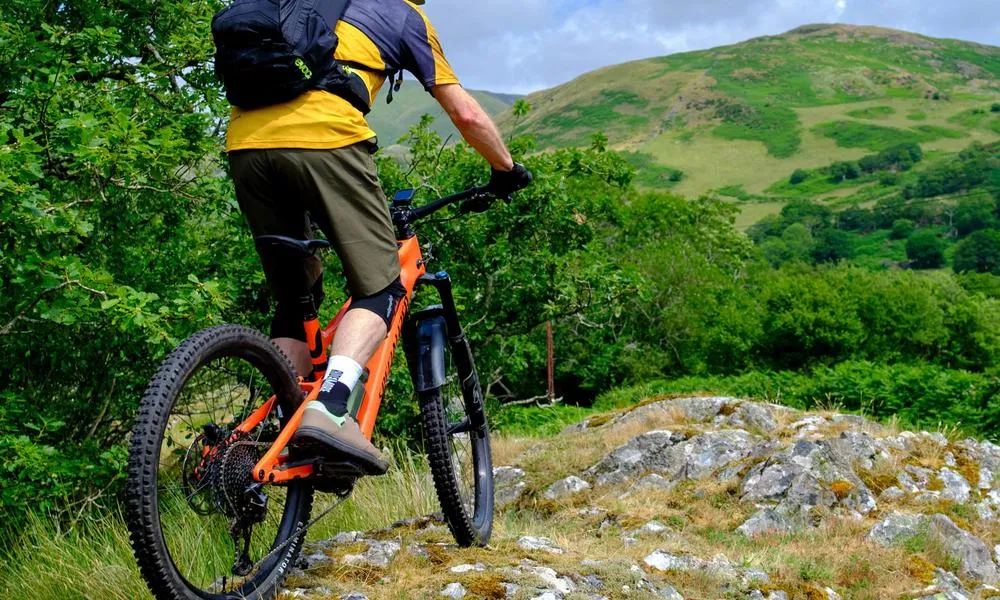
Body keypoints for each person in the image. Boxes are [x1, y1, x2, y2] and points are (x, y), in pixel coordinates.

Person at [225, 0, 532, 475]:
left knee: (295, 299)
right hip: (325, 139)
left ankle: (273, 428)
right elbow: (466, 115)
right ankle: (329, 408)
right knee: (381, 286)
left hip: (245, 144)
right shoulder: (405, 14)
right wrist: (506, 169)